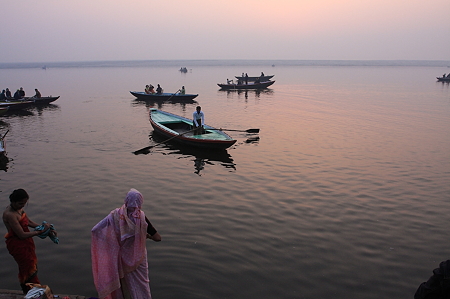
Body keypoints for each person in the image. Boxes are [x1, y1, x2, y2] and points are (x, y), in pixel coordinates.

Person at [91, 188, 161, 299]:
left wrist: (111, 241)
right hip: (139, 258)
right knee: (142, 285)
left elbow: (95, 230)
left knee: (124, 287)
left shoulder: (115, 215)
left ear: (127, 200)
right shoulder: (141, 218)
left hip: (122, 259)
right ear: (140, 201)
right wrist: (146, 236)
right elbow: (158, 238)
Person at [2, 189, 56, 293]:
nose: (22, 206)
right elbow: (21, 235)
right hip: (17, 244)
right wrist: (39, 232)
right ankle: (33, 290)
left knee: (30, 267)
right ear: (13, 202)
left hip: (27, 243)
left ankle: (29, 290)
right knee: (27, 268)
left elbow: (29, 222)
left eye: (24, 203)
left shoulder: (18, 209)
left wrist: (45, 228)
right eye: (20, 203)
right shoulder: (10, 214)